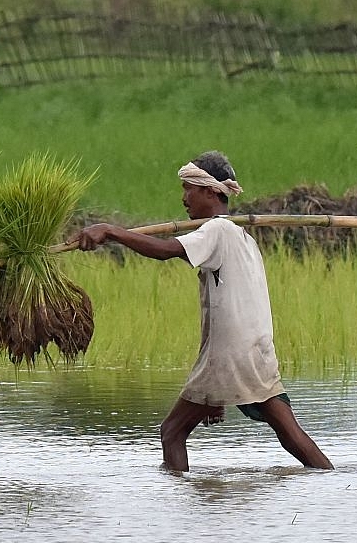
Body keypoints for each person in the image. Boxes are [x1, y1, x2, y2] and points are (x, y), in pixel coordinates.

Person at [75, 150, 333, 473]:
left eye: (189, 189)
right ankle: (331, 481)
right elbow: (221, 312)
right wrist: (215, 389)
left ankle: (182, 508)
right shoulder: (244, 238)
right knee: (290, 434)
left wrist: (111, 231)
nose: (184, 199)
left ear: (210, 192)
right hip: (257, 352)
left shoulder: (216, 231)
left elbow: (167, 251)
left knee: (172, 432)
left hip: (229, 356)